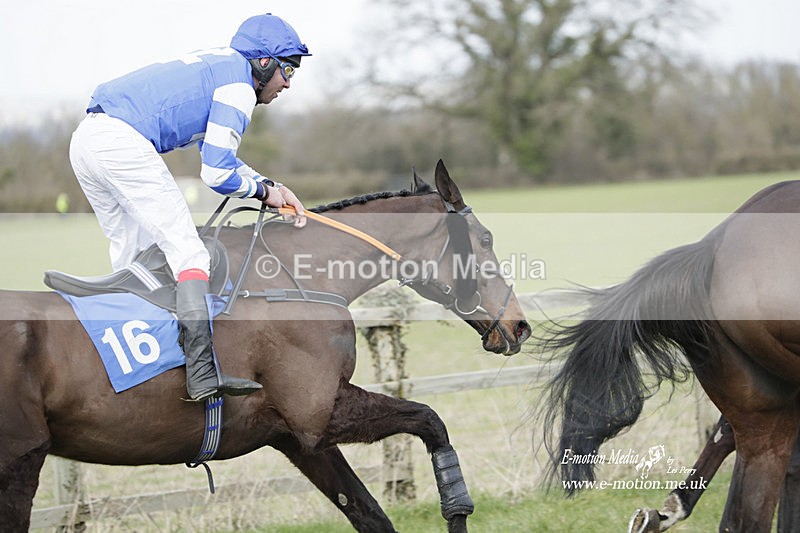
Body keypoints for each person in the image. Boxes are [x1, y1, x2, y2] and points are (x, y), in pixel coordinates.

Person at [69, 13, 310, 402]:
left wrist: (270, 185)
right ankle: (200, 373)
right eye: (287, 69)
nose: (288, 83)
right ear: (263, 63)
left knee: (138, 258)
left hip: (87, 140)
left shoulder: (222, 68)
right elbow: (216, 174)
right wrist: (262, 194)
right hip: (120, 142)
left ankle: (143, 369)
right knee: (189, 252)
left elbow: (220, 157)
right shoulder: (239, 89)